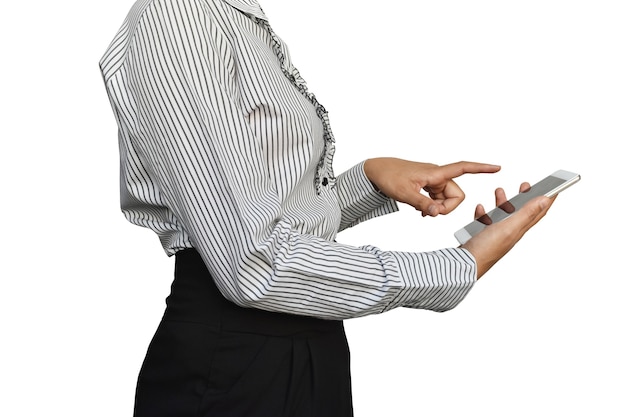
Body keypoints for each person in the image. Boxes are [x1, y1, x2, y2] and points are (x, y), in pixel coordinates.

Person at [100, 0, 554, 416]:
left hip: (303, 343)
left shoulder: (234, 14)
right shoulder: (180, 19)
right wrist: (457, 266)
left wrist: (371, 178)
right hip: (236, 366)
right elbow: (253, 264)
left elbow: (268, 214)